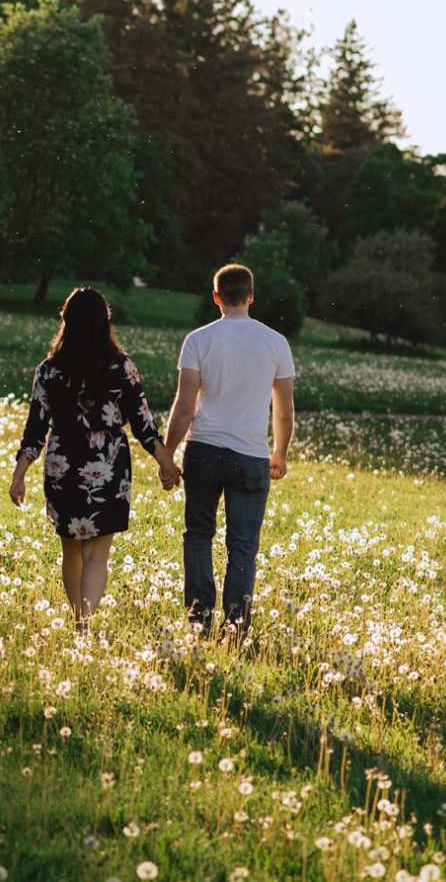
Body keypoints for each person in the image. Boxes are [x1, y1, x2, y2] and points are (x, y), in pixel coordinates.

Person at [10, 287, 181, 631]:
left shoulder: (48, 370)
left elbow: (35, 428)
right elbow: (143, 423)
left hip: (63, 462)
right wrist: (166, 462)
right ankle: (86, 626)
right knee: (97, 554)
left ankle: (79, 621)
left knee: (71, 548)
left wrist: (19, 474)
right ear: (105, 323)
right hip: (108, 462)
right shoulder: (121, 366)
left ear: (66, 322)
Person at [163, 263, 295, 637]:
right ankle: (235, 626)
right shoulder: (276, 342)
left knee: (198, 534)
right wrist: (280, 454)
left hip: (203, 451)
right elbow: (283, 410)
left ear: (216, 296)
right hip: (251, 457)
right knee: (242, 546)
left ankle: (198, 620)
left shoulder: (199, 340)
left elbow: (185, 405)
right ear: (251, 296)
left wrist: (169, 453)